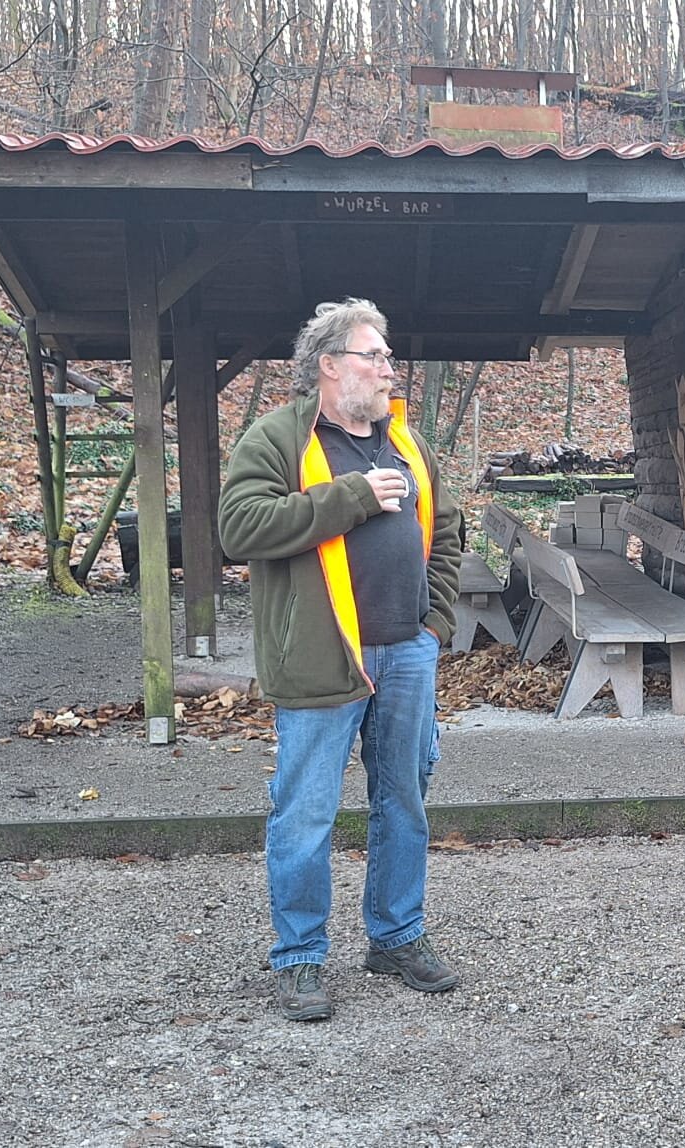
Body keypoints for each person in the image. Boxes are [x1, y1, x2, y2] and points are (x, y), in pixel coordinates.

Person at [218, 298, 464, 1022]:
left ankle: (396, 937)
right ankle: (299, 959)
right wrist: (349, 497)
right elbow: (240, 527)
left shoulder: (408, 443)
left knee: (404, 802)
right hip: (321, 660)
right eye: (374, 356)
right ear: (330, 366)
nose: (390, 369)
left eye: (389, 358)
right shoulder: (277, 438)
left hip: (408, 655)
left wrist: (434, 624)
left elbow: (445, 531)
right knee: (305, 813)